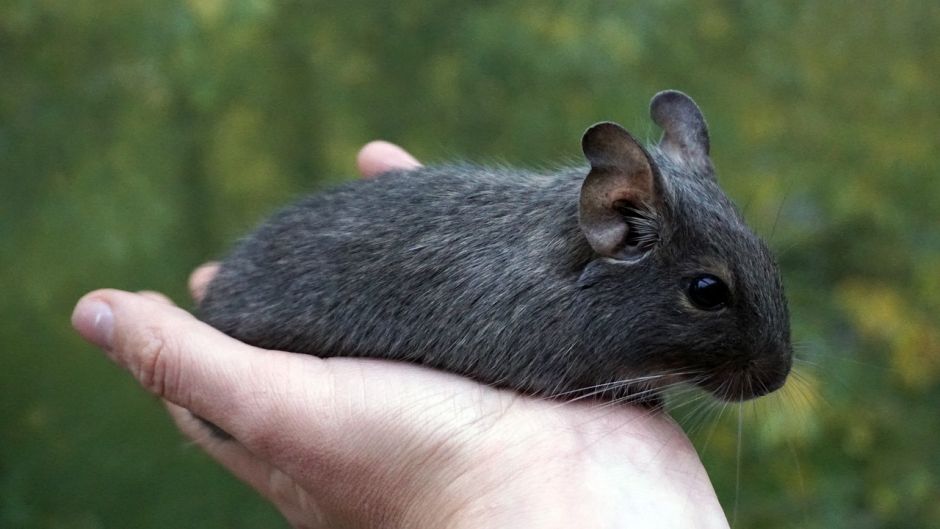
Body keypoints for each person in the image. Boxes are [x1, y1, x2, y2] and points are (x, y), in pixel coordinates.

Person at [71, 141, 730, 528]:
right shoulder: (552, 311)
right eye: (706, 296)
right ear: (616, 218)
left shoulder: (573, 297)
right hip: (263, 309)